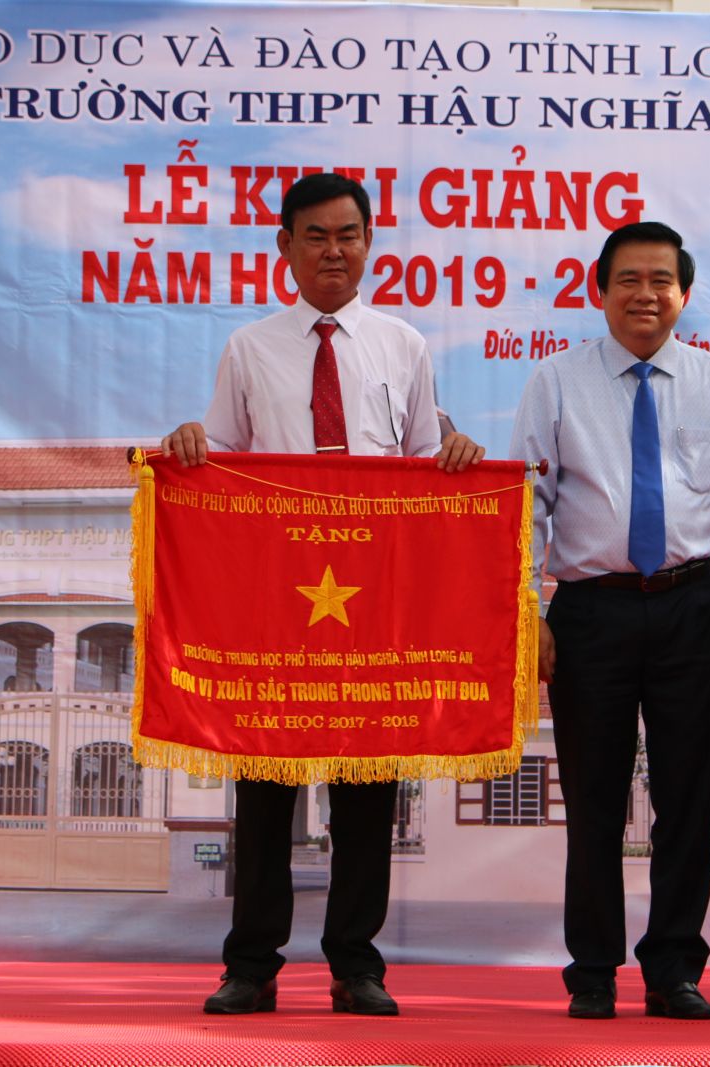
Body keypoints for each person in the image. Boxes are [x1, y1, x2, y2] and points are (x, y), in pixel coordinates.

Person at [162, 172, 483, 1017]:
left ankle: (357, 962)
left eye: (348, 234)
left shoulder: (403, 344)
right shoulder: (248, 347)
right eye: (316, 236)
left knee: (364, 783)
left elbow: (422, 467)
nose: (334, 250)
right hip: (277, 598)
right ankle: (251, 965)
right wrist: (194, 443)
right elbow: (223, 466)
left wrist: (454, 453)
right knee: (266, 784)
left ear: (369, 243)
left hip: (370, 597)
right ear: (286, 248)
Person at [510, 221, 710, 1021]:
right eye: (628, 279)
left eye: (661, 280)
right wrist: (532, 609)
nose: (645, 294)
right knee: (591, 796)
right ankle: (592, 970)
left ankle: (672, 969)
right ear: (599, 290)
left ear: (683, 294)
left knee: (688, 799)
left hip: (695, 605)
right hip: (590, 610)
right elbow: (528, 506)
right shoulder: (554, 382)